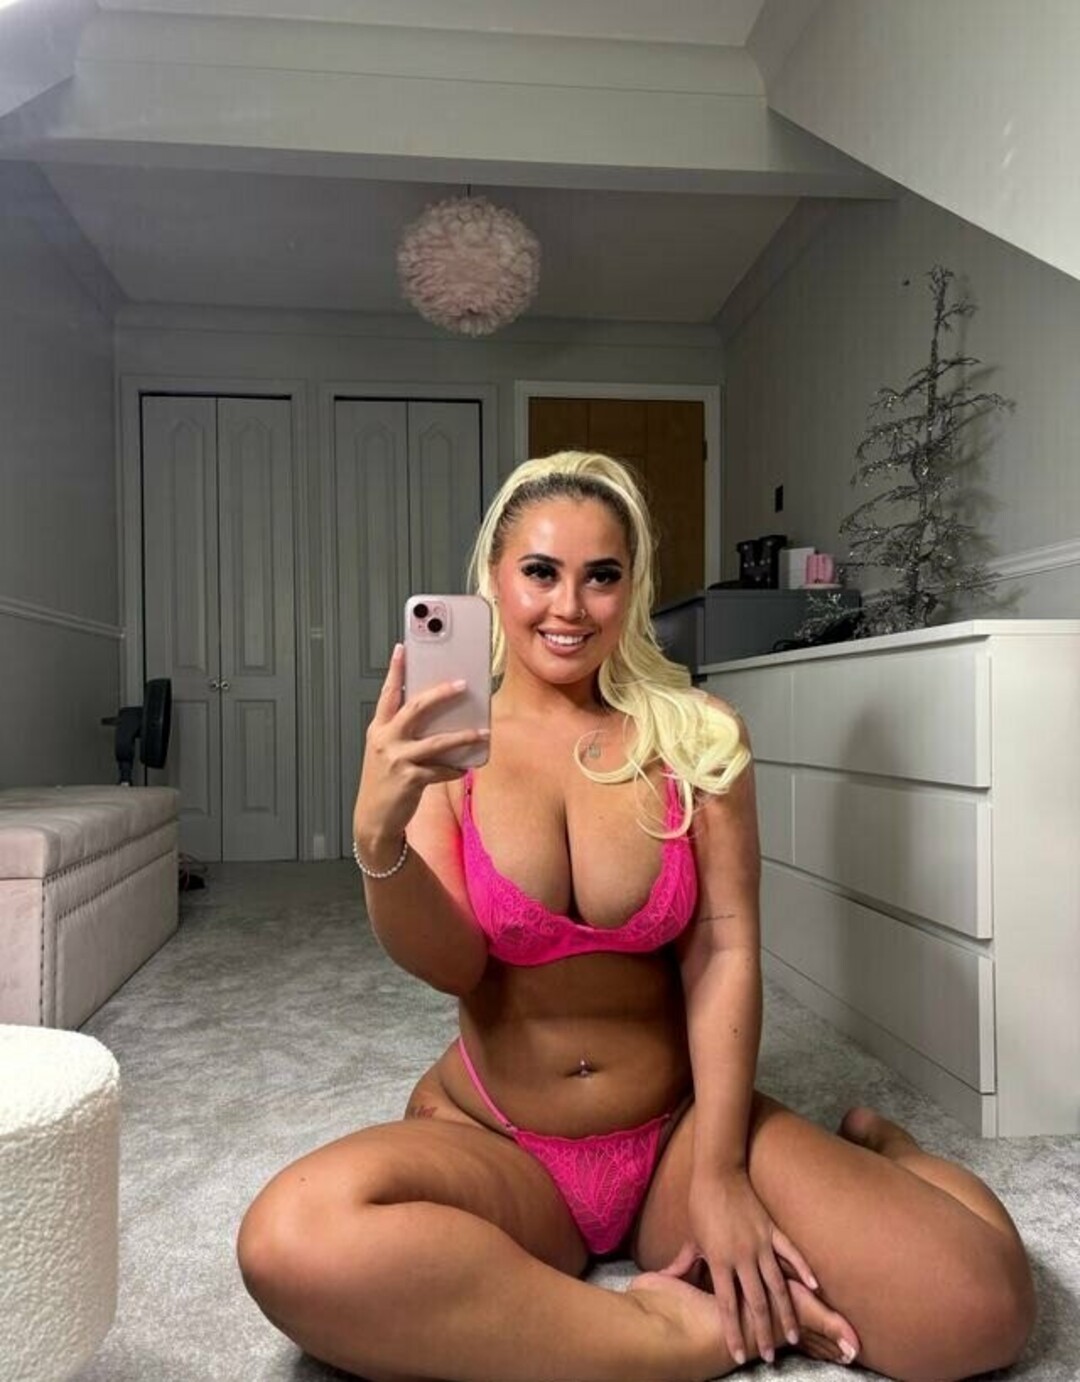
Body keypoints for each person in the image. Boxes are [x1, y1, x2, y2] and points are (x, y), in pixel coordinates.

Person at [237, 451, 1034, 1382]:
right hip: (499, 1144)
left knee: (980, 1309)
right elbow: (453, 965)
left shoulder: (697, 736)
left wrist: (722, 1174)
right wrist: (379, 833)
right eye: (541, 572)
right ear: (493, 578)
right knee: (291, 1241)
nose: (570, 607)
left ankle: (886, 1148)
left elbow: (726, 952)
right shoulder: (447, 744)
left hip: (675, 1137)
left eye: (602, 575)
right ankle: (671, 1340)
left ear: (634, 585)